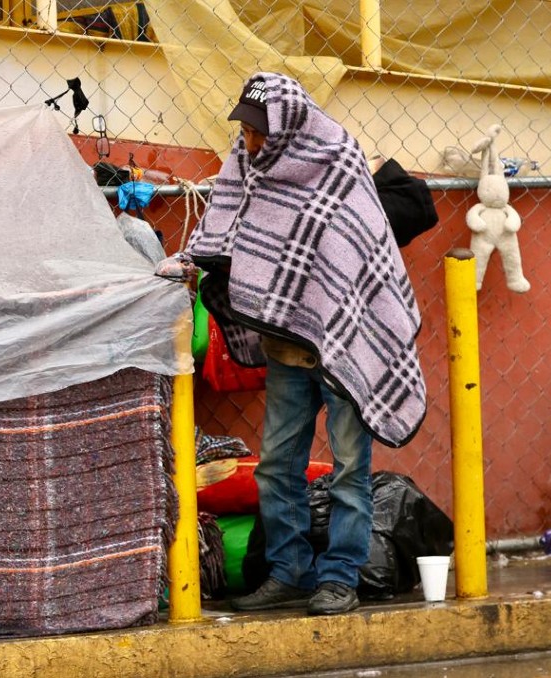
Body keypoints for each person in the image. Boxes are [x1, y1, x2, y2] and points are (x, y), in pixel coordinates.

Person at [156, 73, 426, 616]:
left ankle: (340, 577)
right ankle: (289, 572)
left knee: (350, 468)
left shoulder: (336, 159)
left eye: (259, 132)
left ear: (286, 123)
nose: (251, 142)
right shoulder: (246, 165)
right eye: (247, 131)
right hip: (286, 349)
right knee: (278, 467)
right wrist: (191, 262)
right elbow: (224, 231)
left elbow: (356, 248)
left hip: (344, 346)